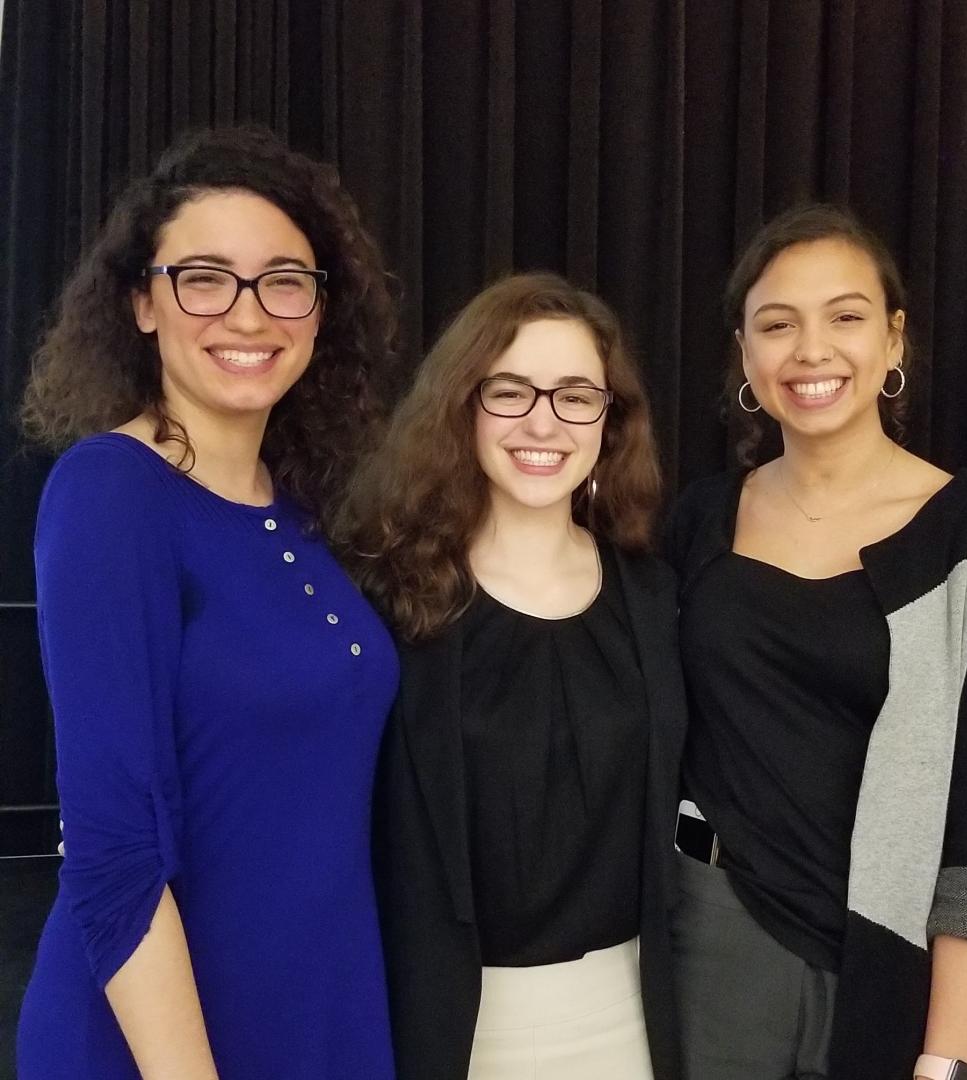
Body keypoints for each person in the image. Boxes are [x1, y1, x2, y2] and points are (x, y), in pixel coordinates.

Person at [16, 126, 400, 1079]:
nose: (247, 312)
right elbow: (113, 856)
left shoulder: (302, 508)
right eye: (204, 278)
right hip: (160, 1043)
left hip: (317, 1007)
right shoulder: (112, 495)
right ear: (143, 302)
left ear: (319, 309)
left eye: (283, 280)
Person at [668, 203, 967, 1080]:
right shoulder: (695, 522)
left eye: (845, 316)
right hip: (711, 953)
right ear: (744, 352)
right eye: (777, 324)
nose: (811, 351)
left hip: (895, 967)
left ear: (893, 341)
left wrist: (947, 1059)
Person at [349, 273, 686, 1080]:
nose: (543, 422)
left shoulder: (654, 596)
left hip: (631, 1018)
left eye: (575, 394)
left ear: (610, 420)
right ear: (462, 404)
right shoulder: (384, 599)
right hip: (450, 1027)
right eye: (510, 391)